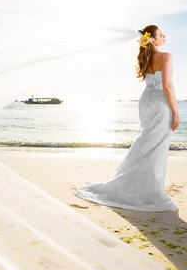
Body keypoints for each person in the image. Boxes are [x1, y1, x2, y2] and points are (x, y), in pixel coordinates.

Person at [75, 25, 180, 211]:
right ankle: (149, 189)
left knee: (146, 142)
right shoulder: (166, 56)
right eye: (161, 34)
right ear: (153, 39)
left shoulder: (145, 58)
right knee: (155, 146)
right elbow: (167, 86)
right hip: (160, 104)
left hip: (145, 103)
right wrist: (176, 111)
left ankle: (135, 183)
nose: (165, 35)